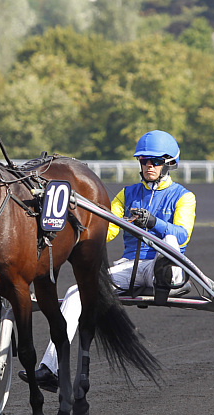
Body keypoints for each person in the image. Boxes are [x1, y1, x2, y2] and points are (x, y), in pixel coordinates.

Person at [19, 130, 196, 392]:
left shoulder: (184, 197)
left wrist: (154, 223)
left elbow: (183, 234)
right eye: (144, 160)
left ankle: (170, 275)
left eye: (155, 161)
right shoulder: (126, 195)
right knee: (75, 294)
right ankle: (51, 368)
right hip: (130, 267)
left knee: (170, 244)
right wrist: (73, 223)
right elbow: (106, 231)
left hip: (163, 261)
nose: (149, 166)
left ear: (169, 164)